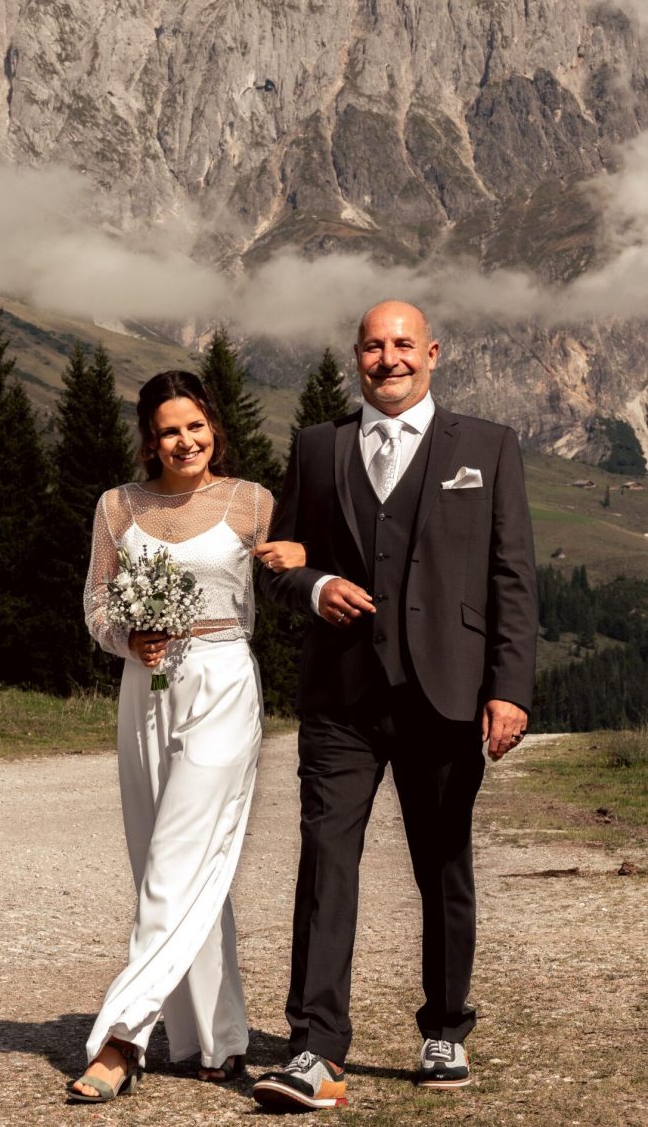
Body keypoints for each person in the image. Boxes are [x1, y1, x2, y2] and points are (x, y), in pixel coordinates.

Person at [251, 300, 537, 1113]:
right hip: (341, 698)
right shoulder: (316, 447)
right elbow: (281, 562)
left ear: (434, 353)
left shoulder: (487, 447)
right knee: (325, 860)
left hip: (447, 694)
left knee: (442, 864)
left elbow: (513, 578)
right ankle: (315, 1048)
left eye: (403, 344)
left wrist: (510, 688)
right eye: (374, 346)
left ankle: (445, 1026)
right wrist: (313, 586)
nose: (389, 358)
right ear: (356, 356)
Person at [66, 369, 304, 1103]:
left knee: (177, 859)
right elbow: (96, 604)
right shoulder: (119, 506)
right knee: (165, 860)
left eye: (195, 427)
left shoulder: (251, 502)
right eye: (170, 430)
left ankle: (121, 1039)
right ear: (150, 439)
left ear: (214, 429)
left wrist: (300, 559)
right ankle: (214, 1040)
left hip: (223, 682)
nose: (185, 440)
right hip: (146, 687)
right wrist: (123, 639)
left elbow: (297, 575)